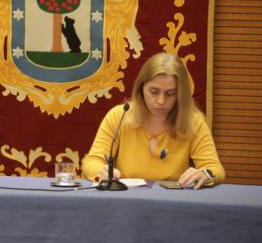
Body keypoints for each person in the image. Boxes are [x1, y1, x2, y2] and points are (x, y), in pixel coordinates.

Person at [82, 52, 225, 189]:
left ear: (180, 94)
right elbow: (92, 162)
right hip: (125, 200)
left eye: (170, 94)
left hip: (172, 203)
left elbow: (215, 169)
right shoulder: (119, 116)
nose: (161, 101)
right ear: (141, 87)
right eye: (153, 92)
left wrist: (204, 174)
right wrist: (102, 171)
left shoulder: (193, 122)